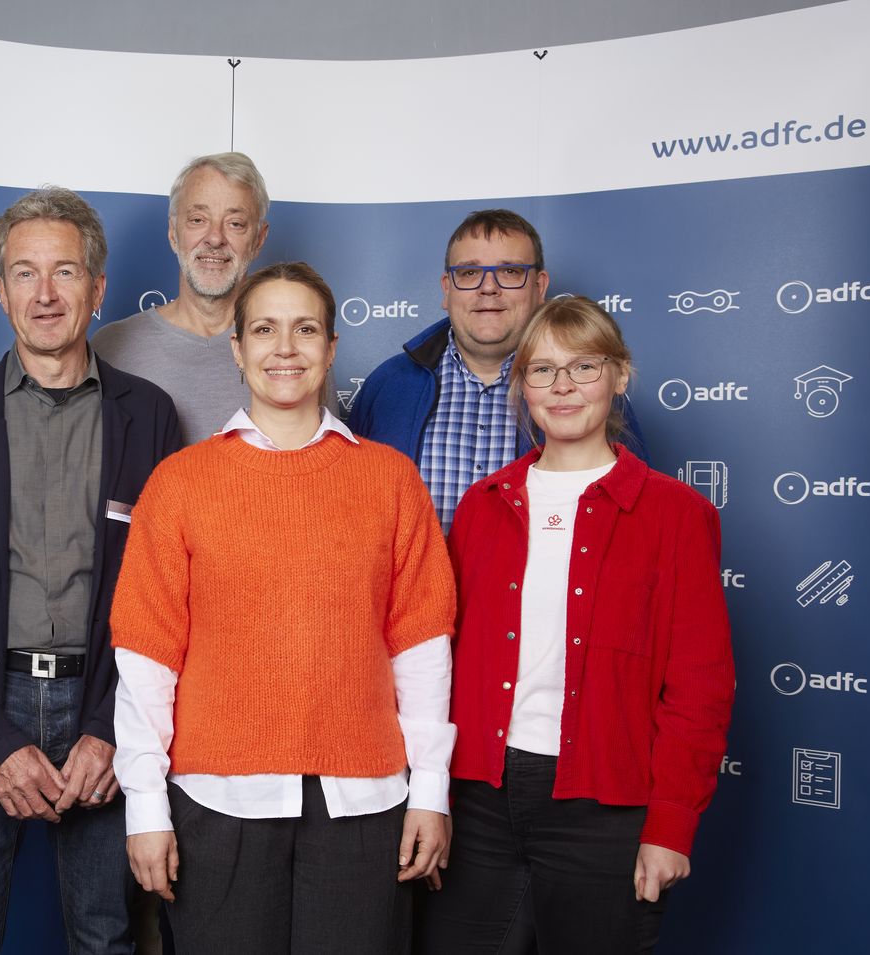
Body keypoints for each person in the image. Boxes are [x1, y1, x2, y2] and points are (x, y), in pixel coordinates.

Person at [111, 261, 458, 955]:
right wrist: (145, 805)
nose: (286, 347)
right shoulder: (181, 483)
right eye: (264, 329)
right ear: (237, 349)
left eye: (306, 329)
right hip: (216, 803)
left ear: (331, 348)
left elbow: (419, 648)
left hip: (365, 803)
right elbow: (146, 657)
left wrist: (431, 791)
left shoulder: (390, 479)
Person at [0, 186, 181, 955]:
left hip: (104, 702)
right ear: (0, 290)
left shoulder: (147, 417)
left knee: (104, 934)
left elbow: (167, 595)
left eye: (64, 272)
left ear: (98, 288)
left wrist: (107, 728)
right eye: (25, 273)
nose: (45, 294)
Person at [424, 297, 734, 953]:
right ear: (521, 385)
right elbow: (441, 661)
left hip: (607, 809)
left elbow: (700, 687)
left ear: (619, 375)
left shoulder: (677, 515)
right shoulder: (481, 507)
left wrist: (671, 825)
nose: (562, 387)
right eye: (542, 370)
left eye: (583, 366)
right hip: (479, 797)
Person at [350, 209, 646, 531]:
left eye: (509, 272)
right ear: (446, 289)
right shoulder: (388, 387)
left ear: (540, 286)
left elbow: (634, 518)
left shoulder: (585, 392)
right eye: (468, 273)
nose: (488, 288)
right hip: (415, 583)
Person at [93, 152, 341, 446]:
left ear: (259, 239)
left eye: (235, 223)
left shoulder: (292, 357)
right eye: (198, 219)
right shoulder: (112, 346)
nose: (215, 238)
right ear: (173, 233)